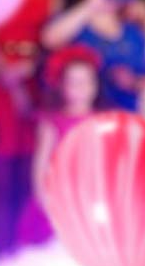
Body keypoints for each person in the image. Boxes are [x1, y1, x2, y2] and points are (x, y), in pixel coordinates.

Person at [0, 0, 61, 256]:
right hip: (1, 82)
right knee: (1, 168)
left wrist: (33, 67)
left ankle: (26, 248)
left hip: (35, 83)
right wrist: (2, 69)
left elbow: (53, 40)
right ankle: (0, 248)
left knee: (34, 166)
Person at [41, 0, 145, 111]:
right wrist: (90, 5)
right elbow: (49, 39)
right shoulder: (79, 24)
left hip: (126, 114)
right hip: (84, 116)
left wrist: (133, 82)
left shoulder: (133, 32)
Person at [22, 45, 101, 244]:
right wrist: (45, 202)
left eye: (86, 82)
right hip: (60, 198)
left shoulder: (104, 122)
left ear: (95, 85)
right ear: (62, 86)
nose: (81, 88)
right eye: (74, 83)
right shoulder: (51, 123)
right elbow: (40, 167)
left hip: (92, 199)